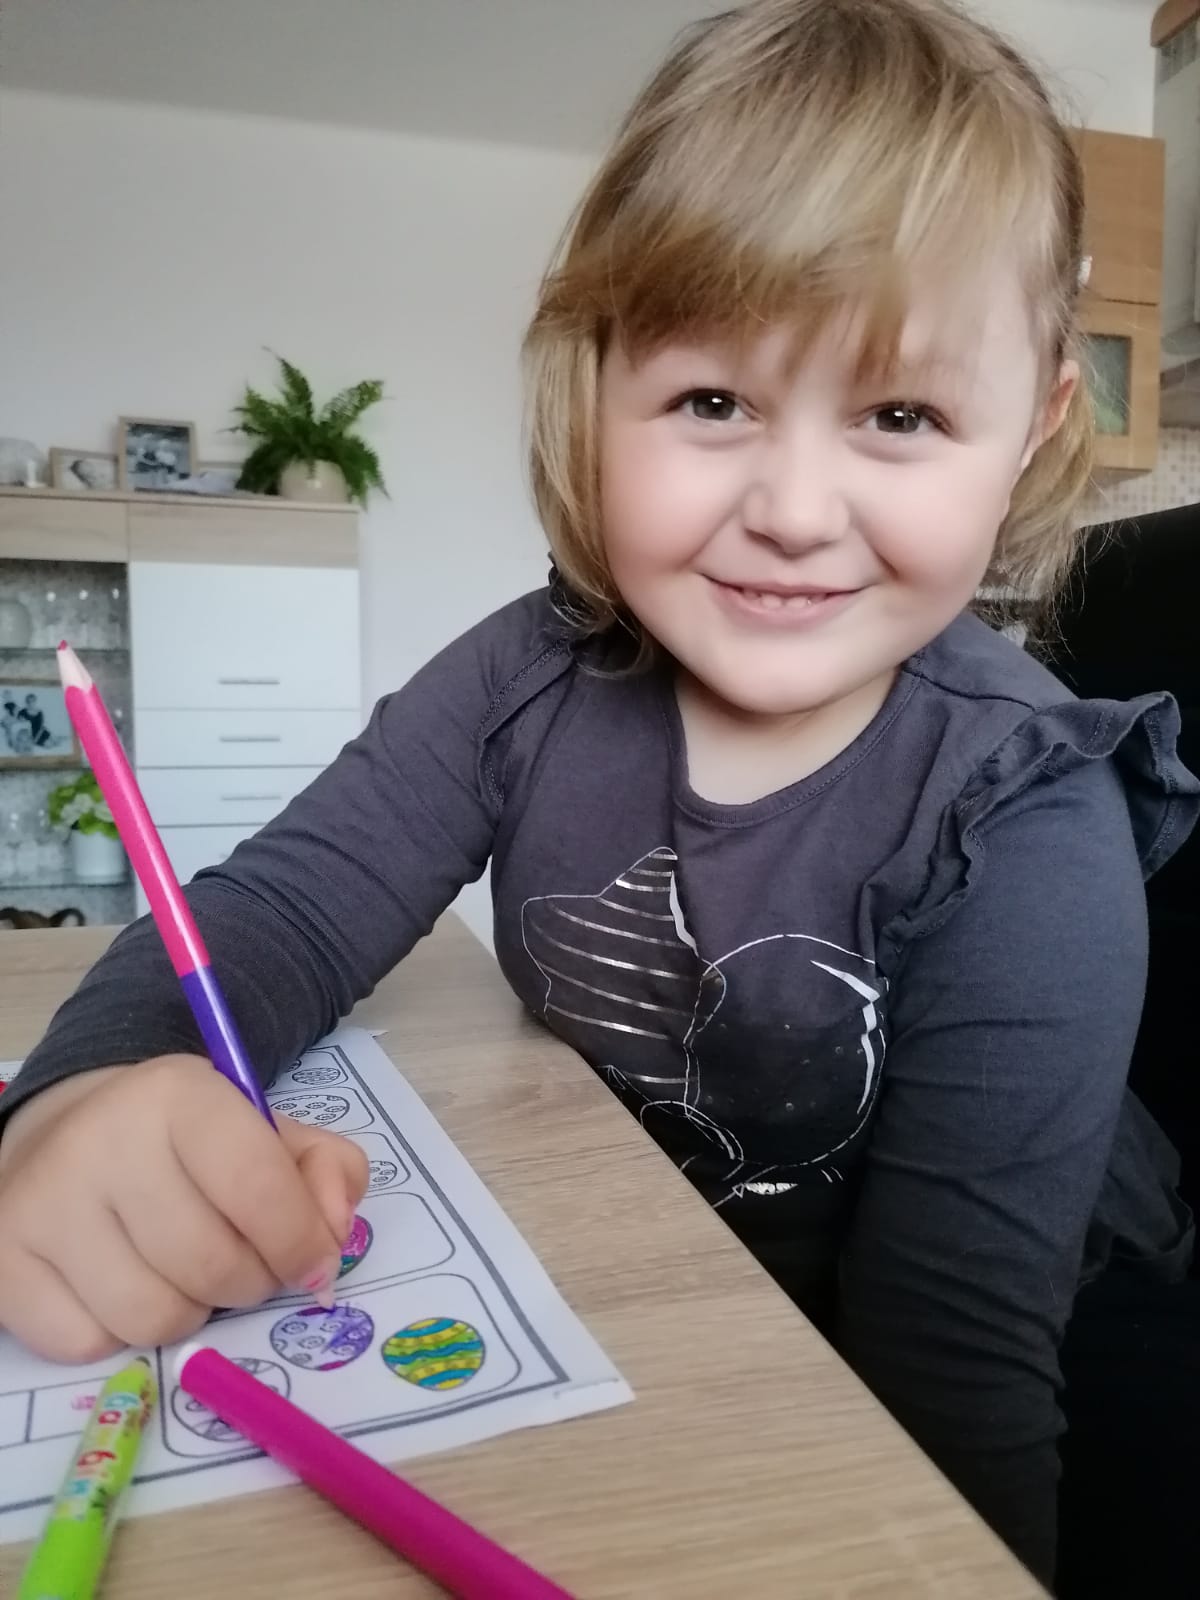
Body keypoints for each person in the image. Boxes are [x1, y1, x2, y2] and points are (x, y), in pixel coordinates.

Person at [0, 0, 1196, 1589]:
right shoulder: (529, 672)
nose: (793, 509)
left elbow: (956, 1377)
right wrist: (81, 1095)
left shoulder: (1030, 816)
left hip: (1043, 1384)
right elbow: (281, 907)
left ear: (1034, 424)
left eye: (901, 416)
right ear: (595, 381)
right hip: (681, 1286)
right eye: (714, 402)